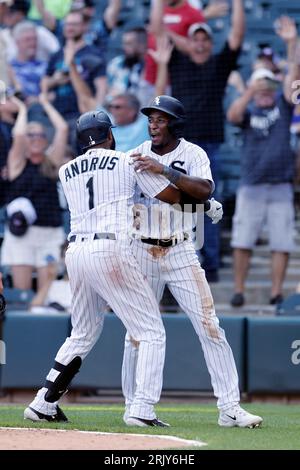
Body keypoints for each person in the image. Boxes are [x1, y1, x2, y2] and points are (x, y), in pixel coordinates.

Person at [23, 109, 191, 425]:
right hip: (110, 248)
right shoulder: (127, 160)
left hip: (75, 252)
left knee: (83, 331)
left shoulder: (65, 169)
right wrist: (203, 202)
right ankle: (142, 409)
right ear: (109, 135)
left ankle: (43, 402)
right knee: (151, 331)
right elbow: (171, 197)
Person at [121, 95, 263, 428]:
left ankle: (230, 407)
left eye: (161, 119)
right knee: (135, 333)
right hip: (141, 250)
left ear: (175, 123)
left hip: (180, 250)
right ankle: (134, 406)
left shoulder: (193, 153)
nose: (154, 125)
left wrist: (165, 171)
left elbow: (204, 188)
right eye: (151, 119)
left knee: (210, 326)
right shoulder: (135, 155)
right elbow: (194, 199)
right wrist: (202, 204)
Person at [152, 0, 245, 282]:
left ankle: (211, 265)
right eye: (196, 39)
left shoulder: (219, 66)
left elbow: (237, 35)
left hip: (208, 146)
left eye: (206, 39)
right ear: (188, 42)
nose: (201, 44)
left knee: (207, 205)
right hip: (178, 147)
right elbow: (158, 30)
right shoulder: (177, 63)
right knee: (172, 206)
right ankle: (172, 263)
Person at [228, 17, 300, 308]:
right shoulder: (247, 109)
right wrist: (250, 89)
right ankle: (239, 290)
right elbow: (232, 115)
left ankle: (275, 291)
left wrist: (292, 43)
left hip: (280, 184)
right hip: (252, 185)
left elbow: (294, 79)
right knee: (242, 240)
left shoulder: (283, 104)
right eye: (263, 84)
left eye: (270, 84)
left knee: (281, 242)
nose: (267, 89)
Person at [1, 93, 68, 309]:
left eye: (40, 135)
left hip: (49, 233)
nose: (36, 138)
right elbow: (18, 135)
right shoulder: (17, 162)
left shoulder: (51, 163)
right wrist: (22, 110)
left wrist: (46, 104)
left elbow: (63, 130)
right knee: (22, 294)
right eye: (32, 135)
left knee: (45, 290)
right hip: (22, 235)